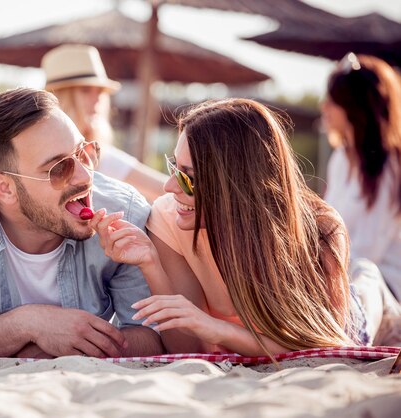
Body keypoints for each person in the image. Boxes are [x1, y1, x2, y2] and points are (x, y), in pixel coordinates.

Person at [91, 98, 400, 357]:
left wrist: (219, 330)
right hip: (264, 338)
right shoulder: (168, 217)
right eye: (174, 167)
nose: (170, 186)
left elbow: (322, 346)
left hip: (347, 321)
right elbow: (187, 349)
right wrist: (151, 264)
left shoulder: (321, 229)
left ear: (236, 185)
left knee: (366, 279)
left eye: (190, 177)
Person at [0, 87, 163, 358]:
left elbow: (152, 336)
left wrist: (49, 350)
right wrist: (26, 324)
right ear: (4, 188)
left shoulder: (124, 211)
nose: (85, 176)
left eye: (84, 153)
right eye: (59, 168)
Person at [41, 44, 168, 203]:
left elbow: (169, 191)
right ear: (61, 97)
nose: (98, 100)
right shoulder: (36, 154)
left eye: (100, 91)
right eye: (86, 90)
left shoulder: (100, 156)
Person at [321, 53, 401, 300]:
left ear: (355, 109)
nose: (324, 107)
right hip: (340, 278)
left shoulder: (391, 166)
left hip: (383, 288)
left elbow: (369, 251)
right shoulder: (341, 160)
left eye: (333, 101)